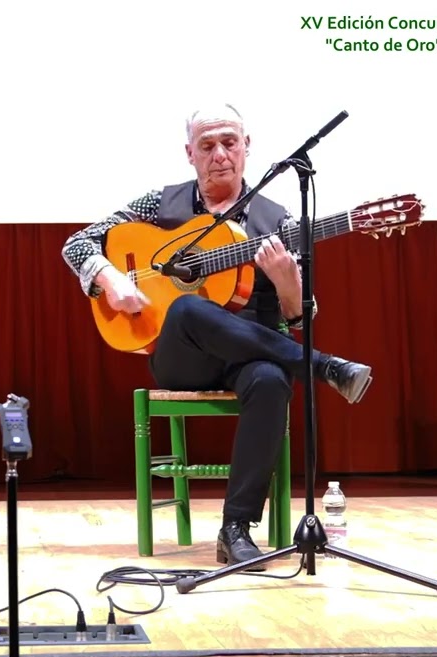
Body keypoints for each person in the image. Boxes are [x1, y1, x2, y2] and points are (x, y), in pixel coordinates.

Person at [61, 103, 372, 568]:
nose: (219, 154)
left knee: (270, 382)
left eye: (229, 142)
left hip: (254, 356)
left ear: (247, 147)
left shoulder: (280, 220)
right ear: (190, 153)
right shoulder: (158, 205)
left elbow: (298, 318)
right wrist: (112, 279)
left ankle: (235, 529)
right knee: (187, 307)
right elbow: (77, 244)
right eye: (207, 145)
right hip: (182, 357)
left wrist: (289, 285)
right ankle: (324, 366)